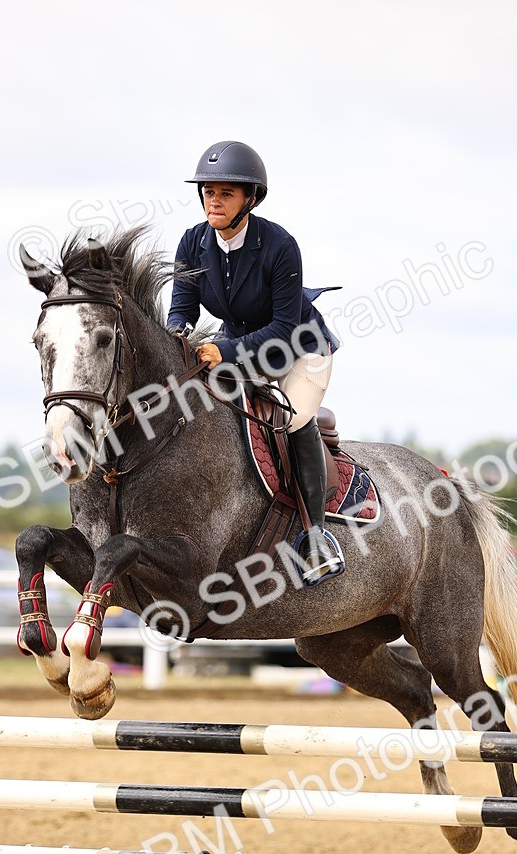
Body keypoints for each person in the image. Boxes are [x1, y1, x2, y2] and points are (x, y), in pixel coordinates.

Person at [167, 140, 344, 585]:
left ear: (251, 198)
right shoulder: (192, 242)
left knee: (291, 418)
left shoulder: (280, 245)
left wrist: (223, 352)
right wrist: (177, 337)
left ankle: (316, 535)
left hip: (299, 350)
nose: (214, 200)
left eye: (226, 193)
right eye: (208, 191)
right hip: (239, 346)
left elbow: (284, 328)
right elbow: (182, 310)